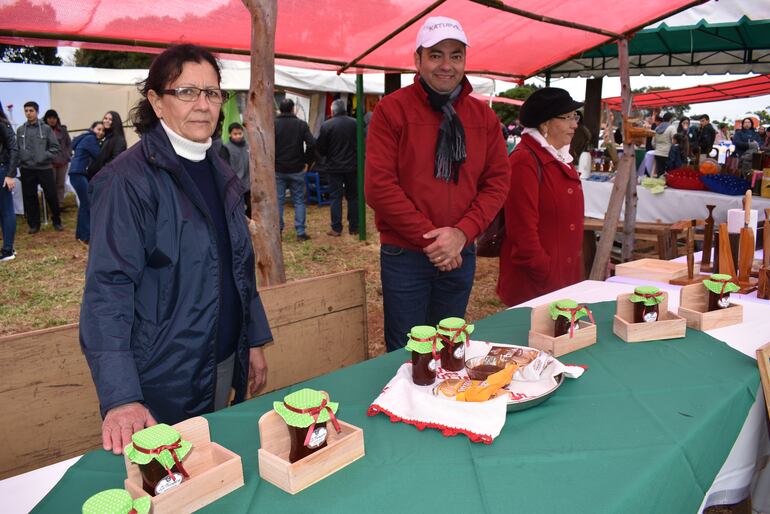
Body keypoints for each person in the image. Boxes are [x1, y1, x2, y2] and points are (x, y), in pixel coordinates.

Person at [80, 44, 272, 455]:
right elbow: (107, 290)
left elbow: (237, 263)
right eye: (186, 92)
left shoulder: (218, 166)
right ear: (156, 101)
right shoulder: (126, 181)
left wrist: (251, 339)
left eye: (213, 92)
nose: (203, 105)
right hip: (161, 379)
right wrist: (121, 397)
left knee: (211, 470)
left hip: (219, 361)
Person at [365, 16, 510, 352]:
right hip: (406, 254)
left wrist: (462, 233)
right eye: (436, 55)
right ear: (418, 60)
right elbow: (379, 186)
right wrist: (433, 240)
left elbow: (498, 182)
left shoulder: (483, 117)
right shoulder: (392, 110)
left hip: (460, 252)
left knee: (449, 347)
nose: (447, 65)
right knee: (407, 351)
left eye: (456, 56)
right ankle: (406, 407)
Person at [496, 87, 584, 307]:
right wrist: (545, 271)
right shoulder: (524, 160)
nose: (575, 124)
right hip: (536, 284)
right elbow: (522, 231)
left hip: (562, 279)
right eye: (568, 118)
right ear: (545, 123)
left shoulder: (558, 156)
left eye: (575, 117)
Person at [16, 101, 62, 233]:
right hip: (27, 168)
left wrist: (44, 156)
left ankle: (57, 220)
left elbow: (55, 147)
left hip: (44, 168)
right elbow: (17, 149)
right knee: (30, 196)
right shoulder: (20, 130)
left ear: (37, 112)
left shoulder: (46, 129)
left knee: (51, 195)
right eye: (26, 111)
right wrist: (21, 161)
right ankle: (34, 224)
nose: (28, 113)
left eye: (31, 110)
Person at [274, 98, 315, 241]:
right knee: (299, 200)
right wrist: (306, 161)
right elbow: (312, 144)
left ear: (280, 109)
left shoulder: (273, 124)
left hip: (278, 168)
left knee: (278, 201)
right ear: (293, 109)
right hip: (297, 167)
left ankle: (277, 231)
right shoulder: (301, 125)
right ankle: (300, 232)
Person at [317, 98, 358, 236]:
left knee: (335, 197)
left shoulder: (327, 125)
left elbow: (321, 148)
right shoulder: (356, 123)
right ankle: (354, 227)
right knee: (353, 197)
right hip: (353, 166)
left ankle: (336, 227)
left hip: (334, 166)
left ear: (333, 110)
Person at [69, 121, 104, 243]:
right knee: (86, 203)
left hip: (76, 173)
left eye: (102, 130)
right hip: (78, 173)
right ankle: (84, 235)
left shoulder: (85, 137)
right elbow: (99, 155)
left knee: (85, 203)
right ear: (92, 129)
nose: (101, 132)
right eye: (98, 129)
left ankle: (81, 234)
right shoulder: (90, 138)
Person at [0, 104, 19, 261]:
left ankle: (8, 250)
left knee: (6, 210)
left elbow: (14, 148)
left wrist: (10, 174)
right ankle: (8, 247)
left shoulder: (3, 124)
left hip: (2, 171)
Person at [43, 109, 72, 206]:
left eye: (54, 118)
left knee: (60, 184)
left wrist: (67, 155)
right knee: (51, 185)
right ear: (46, 119)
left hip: (62, 162)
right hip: (50, 162)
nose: (52, 120)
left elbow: (69, 143)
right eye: (50, 118)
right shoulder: (43, 130)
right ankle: (52, 205)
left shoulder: (63, 130)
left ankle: (60, 204)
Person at [88, 110, 127, 180]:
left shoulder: (118, 139)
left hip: (105, 178)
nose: (106, 121)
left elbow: (116, 160)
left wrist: (102, 172)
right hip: (94, 177)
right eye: (105, 118)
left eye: (110, 119)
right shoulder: (105, 137)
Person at [223, 122, 251, 217]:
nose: (238, 136)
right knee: (239, 210)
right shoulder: (226, 148)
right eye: (235, 134)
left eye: (240, 133)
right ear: (230, 134)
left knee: (250, 208)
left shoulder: (248, 146)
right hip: (235, 185)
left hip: (248, 184)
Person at [652, 112, 677, 176]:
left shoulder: (657, 128)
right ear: (671, 119)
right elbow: (675, 140)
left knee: (659, 173)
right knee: (668, 174)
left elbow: (653, 143)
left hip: (657, 153)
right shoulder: (672, 128)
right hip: (667, 153)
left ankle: (659, 184)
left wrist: (657, 148)